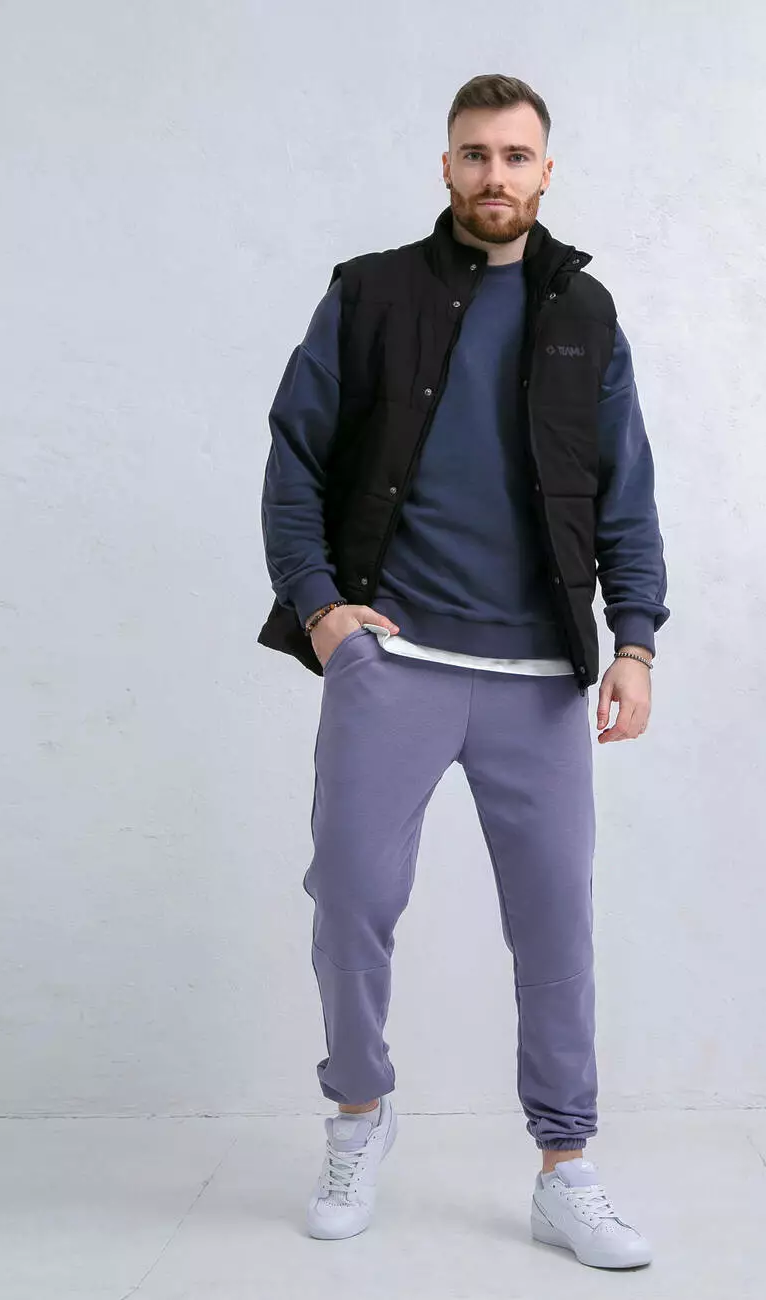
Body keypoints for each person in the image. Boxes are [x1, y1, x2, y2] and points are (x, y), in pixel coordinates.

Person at [258, 73, 669, 1270]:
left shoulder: (585, 310)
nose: (496, 175)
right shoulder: (369, 292)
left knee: (555, 926)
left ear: (547, 171)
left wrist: (636, 639)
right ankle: (358, 1113)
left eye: (516, 156)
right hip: (395, 657)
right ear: (446, 166)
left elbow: (626, 488)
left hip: (539, 673)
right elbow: (294, 457)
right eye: (476, 154)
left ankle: (565, 1167)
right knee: (350, 895)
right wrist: (324, 610)